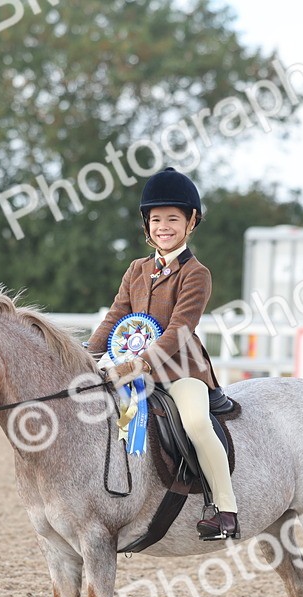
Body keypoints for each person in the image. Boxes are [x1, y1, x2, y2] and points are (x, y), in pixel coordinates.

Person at [88, 167, 239, 540]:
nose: (163, 227)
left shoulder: (196, 274)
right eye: (156, 220)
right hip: (129, 369)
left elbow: (180, 329)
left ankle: (225, 510)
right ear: (147, 225)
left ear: (191, 222)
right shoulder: (136, 269)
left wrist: (140, 363)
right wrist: (88, 355)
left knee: (197, 424)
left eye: (173, 218)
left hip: (181, 372)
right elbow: (115, 316)